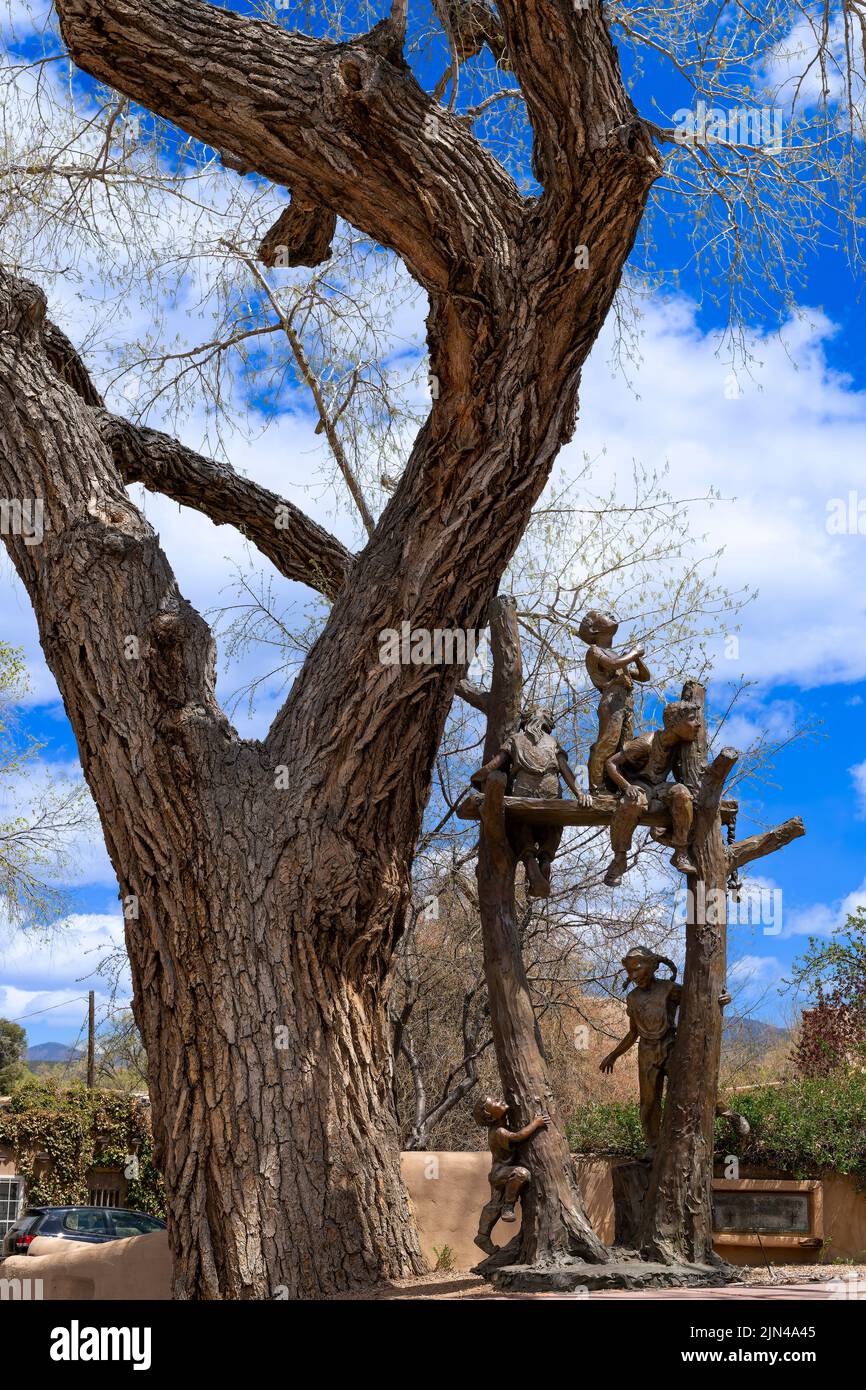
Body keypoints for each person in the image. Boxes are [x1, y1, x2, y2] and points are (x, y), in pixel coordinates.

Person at [471, 704, 590, 897]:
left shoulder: (515, 739)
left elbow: (495, 764)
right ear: (546, 722)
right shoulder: (553, 742)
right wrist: (579, 793)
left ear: (527, 719)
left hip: (524, 789)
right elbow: (565, 770)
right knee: (554, 823)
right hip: (550, 790)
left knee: (518, 821)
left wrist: (477, 777)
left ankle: (529, 860)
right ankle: (545, 858)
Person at [603, 699, 701, 887]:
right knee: (633, 803)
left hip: (660, 787)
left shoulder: (682, 747)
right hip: (640, 784)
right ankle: (620, 858)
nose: (697, 724)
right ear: (674, 724)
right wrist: (626, 786)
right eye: (691, 719)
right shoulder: (646, 743)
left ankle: (680, 852)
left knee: (682, 793)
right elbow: (611, 763)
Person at [579, 609, 651, 793]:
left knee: (624, 746)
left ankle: (618, 786)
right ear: (595, 629)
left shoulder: (617, 655)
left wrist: (637, 659)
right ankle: (597, 787)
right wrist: (633, 654)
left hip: (626, 703)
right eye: (602, 615)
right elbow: (613, 665)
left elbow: (644, 676)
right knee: (607, 742)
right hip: (611, 702)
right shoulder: (594, 651)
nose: (610, 614)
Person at [472, 1096, 548, 1255]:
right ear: (491, 1116)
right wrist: (536, 1123)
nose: (499, 1100)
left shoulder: (501, 1126)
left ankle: (482, 1235)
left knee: (494, 1204)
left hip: (500, 1172)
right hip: (500, 1173)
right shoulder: (499, 1131)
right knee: (521, 1174)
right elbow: (518, 1137)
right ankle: (509, 1205)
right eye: (495, 1103)